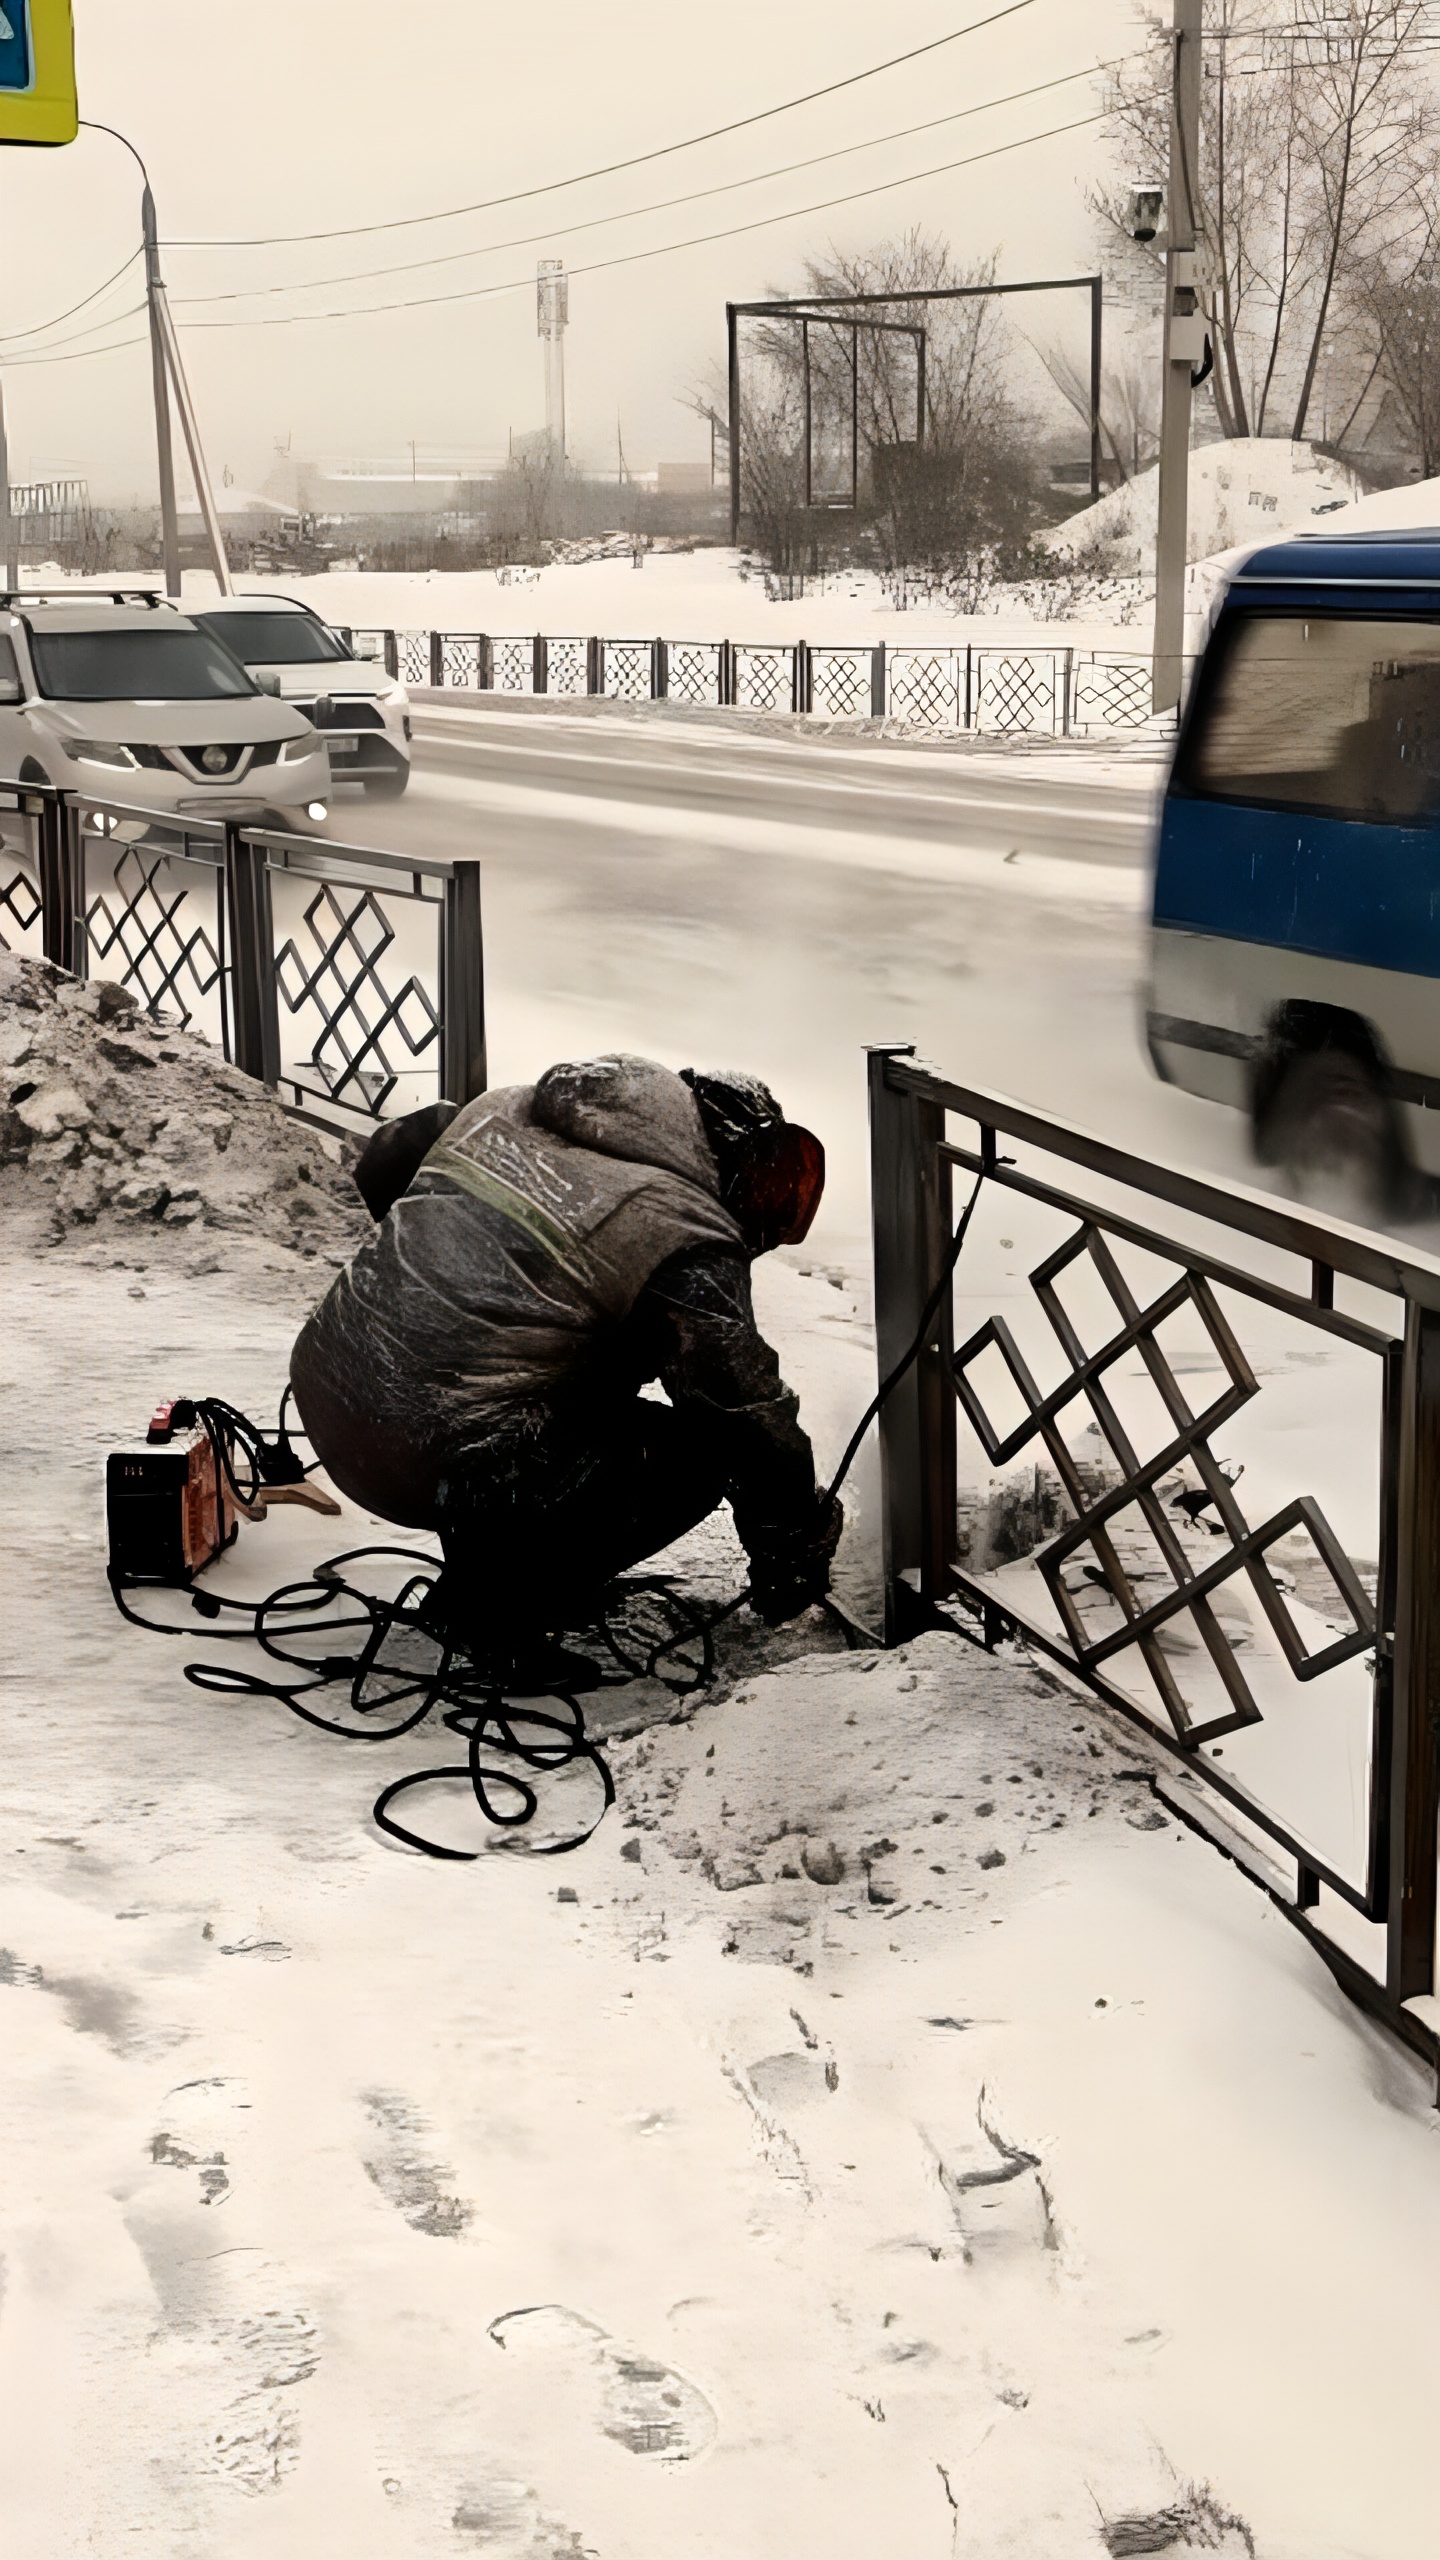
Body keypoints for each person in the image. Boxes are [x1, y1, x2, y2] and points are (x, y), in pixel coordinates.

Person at [289, 1054, 841, 1684]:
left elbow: (389, 1152)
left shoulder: (503, 1108)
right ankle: (488, 1613)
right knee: (696, 1455)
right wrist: (791, 1534)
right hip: (418, 1457)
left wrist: (443, 1267)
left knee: (532, 1378)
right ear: (720, 1159)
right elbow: (738, 1408)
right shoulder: (680, 1228)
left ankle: (502, 1572)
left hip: (330, 1393)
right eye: (761, 1185)